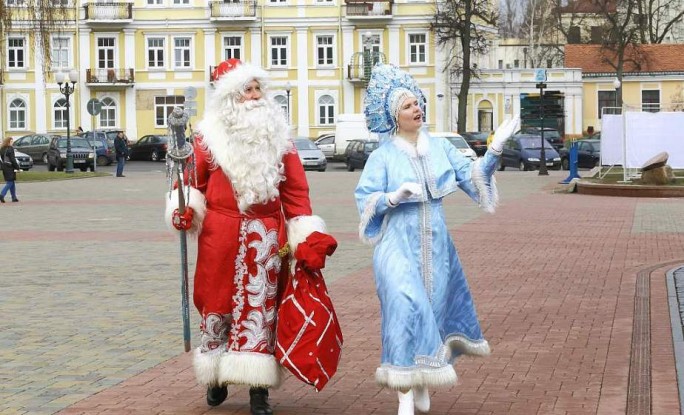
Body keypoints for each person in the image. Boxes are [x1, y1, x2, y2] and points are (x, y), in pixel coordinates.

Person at [164, 59, 334, 414]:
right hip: (220, 235)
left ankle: (259, 390)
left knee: (262, 308)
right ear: (230, 98)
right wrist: (185, 211)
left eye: (259, 89)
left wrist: (305, 233)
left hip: (267, 236)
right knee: (216, 303)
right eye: (248, 90)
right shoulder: (207, 140)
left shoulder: (280, 140)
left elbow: (296, 192)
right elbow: (192, 185)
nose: (256, 97)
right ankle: (216, 376)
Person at [354, 64, 519, 415]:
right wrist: (392, 197)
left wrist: (495, 150)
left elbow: (474, 181)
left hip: (437, 244)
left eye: (418, 103)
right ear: (394, 116)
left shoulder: (441, 147)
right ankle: (403, 392)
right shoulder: (382, 156)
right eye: (408, 106)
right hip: (396, 244)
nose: (417, 109)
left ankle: (423, 380)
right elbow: (365, 199)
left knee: (432, 309)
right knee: (404, 306)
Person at [0, 137, 21, 203]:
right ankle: (2, 194)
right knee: (10, 182)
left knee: (12, 182)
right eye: (11, 141)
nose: (12, 143)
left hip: (4, 167)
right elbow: (13, 159)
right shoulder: (10, 149)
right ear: (8, 142)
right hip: (10, 167)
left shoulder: (2, 149)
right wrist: (17, 167)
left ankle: (14, 197)